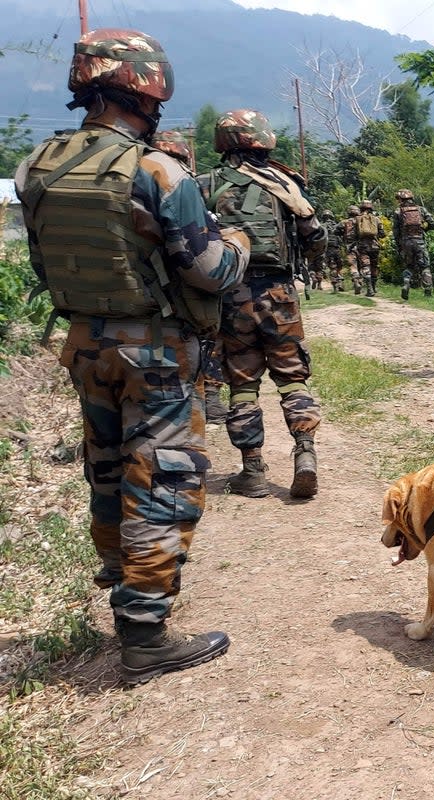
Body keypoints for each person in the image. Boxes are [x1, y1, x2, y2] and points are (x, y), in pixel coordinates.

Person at [16, 28, 249, 682]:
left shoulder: (37, 166)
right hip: (155, 349)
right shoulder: (155, 170)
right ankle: (144, 633)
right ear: (148, 88)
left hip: (86, 342)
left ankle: (120, 575)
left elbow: (42, 263)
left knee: (110, 466)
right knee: (163, 473)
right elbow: (210, 271)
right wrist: (237, 244)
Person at [201, 109, 326, 499]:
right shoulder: (285, 183)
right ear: (265, 139)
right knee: (292, 376)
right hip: (281, 294)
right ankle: (305, 452)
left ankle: (252, 470)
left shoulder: (205, 185)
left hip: (230, 296)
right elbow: (316, 239)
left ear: (224, 142)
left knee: (242, 383)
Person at [150, 129, 231, 425]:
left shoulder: (135, 182)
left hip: (149, 296)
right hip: (188, 286)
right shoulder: (186, 187)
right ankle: (204, 399)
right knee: (206, 339)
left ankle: (200, 400)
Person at [393, 189, 434, 300]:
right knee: (425, 266)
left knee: (409, 266)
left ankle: (406, 283)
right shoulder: (421, 209)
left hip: (406, 242)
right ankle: (428, 292)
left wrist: (399, 245)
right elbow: (433, 224)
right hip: (419, 241)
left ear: (401, 200)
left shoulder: (398, 211)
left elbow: (396, 231)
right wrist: (423, 228)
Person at [352, 199, 384, 297]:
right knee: (374, 266)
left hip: (363, 247)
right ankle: (374, 287)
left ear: (361, 208)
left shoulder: (356, 219)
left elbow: (353, 234)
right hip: (374, 246)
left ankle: (369, 289)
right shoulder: (376, 219)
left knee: (366, 266)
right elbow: (382, 234)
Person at [341, 205, 363, 295]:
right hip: (362, 246)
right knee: (362, 264)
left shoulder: (344, 222)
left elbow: (335, 231)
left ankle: (356, 281)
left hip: (350, 246)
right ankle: (361, 282)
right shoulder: (362, 220)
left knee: (353, 265)